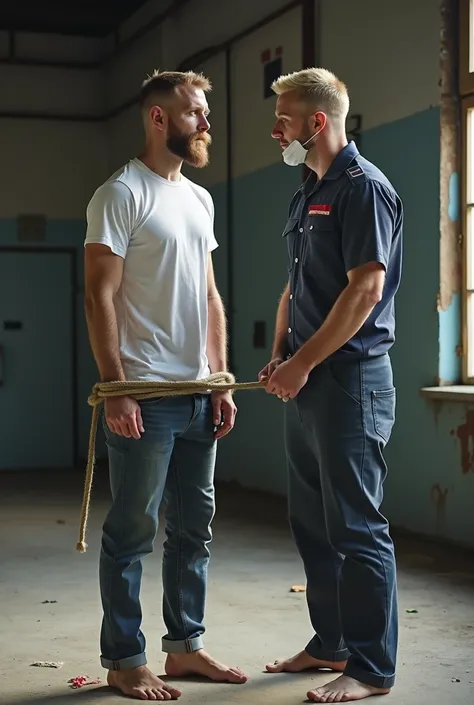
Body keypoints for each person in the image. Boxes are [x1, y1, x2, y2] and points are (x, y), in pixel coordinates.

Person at [84, 69, 248, 701]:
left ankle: (184, 649)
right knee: (131, 533)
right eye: (195, 112)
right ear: (159, 119)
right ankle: (126, 659)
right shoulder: (120, 194)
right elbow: (99, 296)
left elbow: (208, 298)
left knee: (193, 528)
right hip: (145, 399)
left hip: (198, 394)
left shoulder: (198, 199)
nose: (206, 121)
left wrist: (221, 381)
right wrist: (116, 386)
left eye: (204, 111)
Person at [259, 68, 403, 703]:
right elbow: (297, 285)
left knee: (356, 526)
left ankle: (370, 669)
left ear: (317, 122)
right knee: (313, 523)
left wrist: (305, 363)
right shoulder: (306, 190)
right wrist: (279, 353)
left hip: (349, 381)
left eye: (284, 118)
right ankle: (330, 644)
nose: (276, 130)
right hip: (308, 377)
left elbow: (364, 291)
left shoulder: (362, 189)